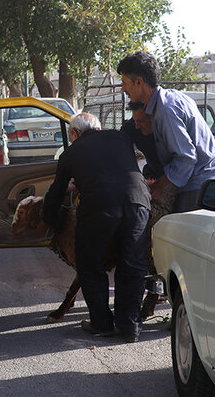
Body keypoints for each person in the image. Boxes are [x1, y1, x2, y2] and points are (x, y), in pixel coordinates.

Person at [42, 113, 151, 343]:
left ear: (74, 134)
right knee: (133, 263)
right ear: (99, 129)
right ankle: (130, 326)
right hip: (138, 202)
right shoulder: (120, 137)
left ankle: (102, 324)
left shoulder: (70, 153)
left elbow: (56, 192)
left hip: (100, 207)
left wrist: (49, 220)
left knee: (89, 263)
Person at [117, 51, 215, 212]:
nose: (123, 89)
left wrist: (160, 187)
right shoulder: (171, 98)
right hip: (212, 181)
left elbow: (186, 158)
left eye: (124, 82)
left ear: (139, 82)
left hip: (202, 185)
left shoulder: (166, 110)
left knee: (181, 234)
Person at [120, 101, 163, 181]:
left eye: (141, 121)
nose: (137, 126)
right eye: (135, 120)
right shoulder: (131, 127)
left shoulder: (168, 127)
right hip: (153, 172)